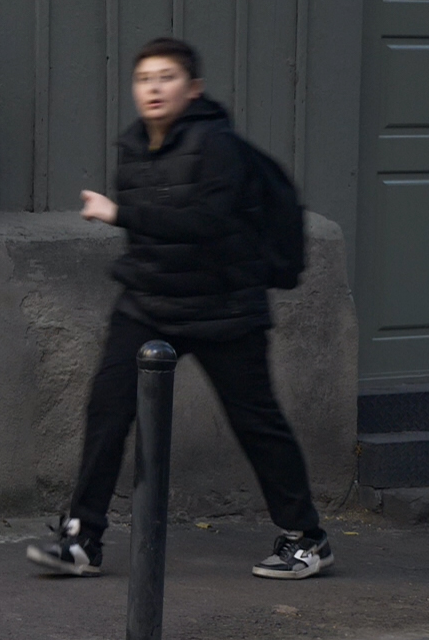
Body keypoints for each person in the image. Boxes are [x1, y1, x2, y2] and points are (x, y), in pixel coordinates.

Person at [26, 37, 332, 581]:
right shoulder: (135, 147)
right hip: (148, 302)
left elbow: (205, 223)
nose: (154, 88)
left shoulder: (218, 147)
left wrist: (121, 212)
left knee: (255, 420)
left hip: (224, 307)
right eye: (145, 79)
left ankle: (307, 539)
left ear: (193, 90)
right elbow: (155, 238)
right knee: (107, 411)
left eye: (167, 77)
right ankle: (81, 540)